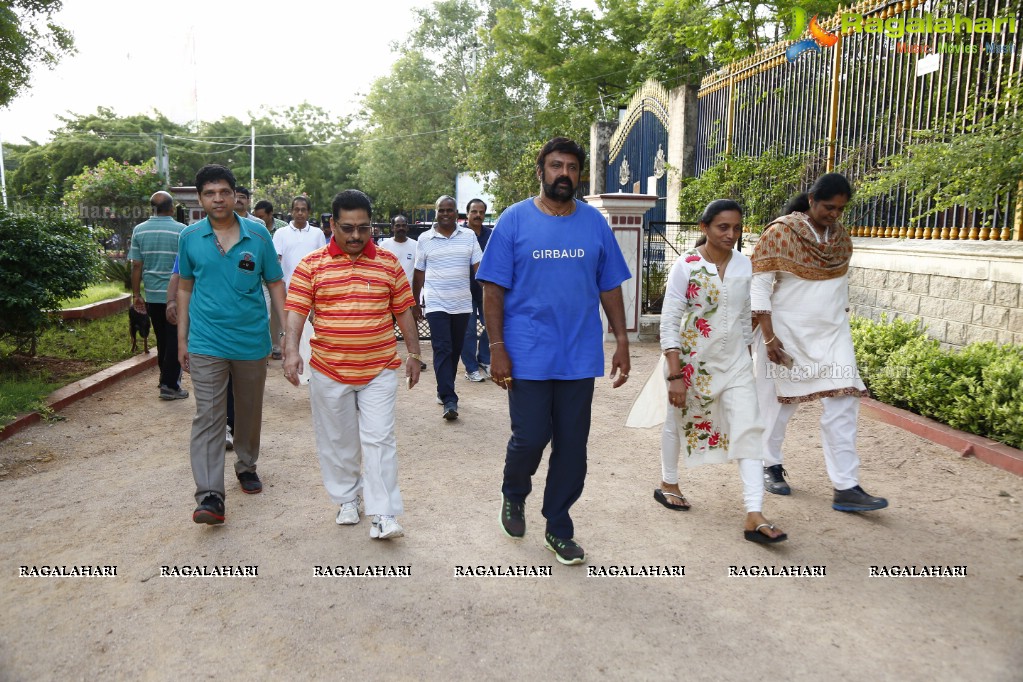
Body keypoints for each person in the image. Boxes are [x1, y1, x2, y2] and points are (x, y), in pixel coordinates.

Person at [476, 137, 631, 566]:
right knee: (530, 437)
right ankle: (514, 492)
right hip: (526, 351)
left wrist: (620, 339)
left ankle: (558, 525)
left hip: (579, 353)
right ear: (541, 171)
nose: (565, 174)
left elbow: (610, 285)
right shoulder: (514, 220)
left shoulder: (594, 224)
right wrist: (497, 347)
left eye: (572, 168)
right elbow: (493, 288)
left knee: (572, 445)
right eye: (556, 166)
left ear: (580, 175)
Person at [627, 200, 787, 544]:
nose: (732, 234)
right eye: (723, 227)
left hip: (736, 365)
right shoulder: (687, 266)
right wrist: (674, 374)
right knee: (676, 421)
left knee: (748, 429)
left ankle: (754, 513)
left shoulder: (746, 266)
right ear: (705, 228)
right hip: (691, 362)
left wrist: (747, 356)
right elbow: (670, 321)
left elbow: (747, 318)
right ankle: (669, 482)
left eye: (737, 228)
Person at [282, 189, 421, 541]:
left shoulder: (388, 262)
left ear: (371, 226)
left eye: (363, 227)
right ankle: (347, 499)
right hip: (329, 369)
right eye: (347, 228)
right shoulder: (311, 265)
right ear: (331, 224)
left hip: (379, 368)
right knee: (338, 441)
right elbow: (296, 310)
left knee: (379, 439)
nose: (356, 236)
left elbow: (403, 309)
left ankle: (383, 512)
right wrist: (291, 351)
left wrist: (415, 353)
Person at [752, 172, 888, 512]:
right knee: (778, 406)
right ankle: (768, 464)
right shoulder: (780, 232)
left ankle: (846, 486)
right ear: (812, 200)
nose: (834, 214)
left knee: (845, 401)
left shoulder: (841, 237)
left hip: (832, 333)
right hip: (785, 335)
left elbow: (838, 287)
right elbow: (758, 287)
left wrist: (841, 321)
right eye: (829, 207)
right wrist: (768, 336)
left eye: (841, 209)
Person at [176, 164, 286, 525]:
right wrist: (183, 340)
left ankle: (246, 464)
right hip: (206, 340)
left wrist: (285, 334)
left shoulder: (257, 235)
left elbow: (274, 283)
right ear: (201, 198)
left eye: (223, 191)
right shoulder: (190, 237)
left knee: (249, 410)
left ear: (235, 195)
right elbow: (185, 287)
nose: (217, 199)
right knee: (208, 415)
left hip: (251, 340)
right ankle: (210, 494)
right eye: (209, 193)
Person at [412, 195, 482, 420]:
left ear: (456, 213)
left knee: (455, 349)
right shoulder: (425, 239)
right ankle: (450, 399)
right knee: (442, 348)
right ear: (436, 212)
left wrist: (490, 294)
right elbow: (419, 273)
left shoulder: (469, 236)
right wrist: (415, 302)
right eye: (441, 210)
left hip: (462, 303)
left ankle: (444, 388)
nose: (445, 214)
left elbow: (478, 270)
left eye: (449, 210)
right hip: (436, 303)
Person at [128, 191, 188, 400]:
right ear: (172, 209)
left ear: (151, 209)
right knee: (174, 338)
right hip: (177, 295)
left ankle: (165, 377)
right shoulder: (183, 231)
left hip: (152, 294)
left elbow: (136, 264)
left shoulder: (140, 230)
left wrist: (136, 294)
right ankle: (170, 385)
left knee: (162, 338)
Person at [460, 198, 493, 382]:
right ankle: (471, 367)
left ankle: (484, 359)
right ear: (467, 214)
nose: (478, 215)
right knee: (469, 331)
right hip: (464, 291)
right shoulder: (459, 234)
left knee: (492, 325)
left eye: (481, 212)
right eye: (474, 211)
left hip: (486, 289)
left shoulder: (491, 235)